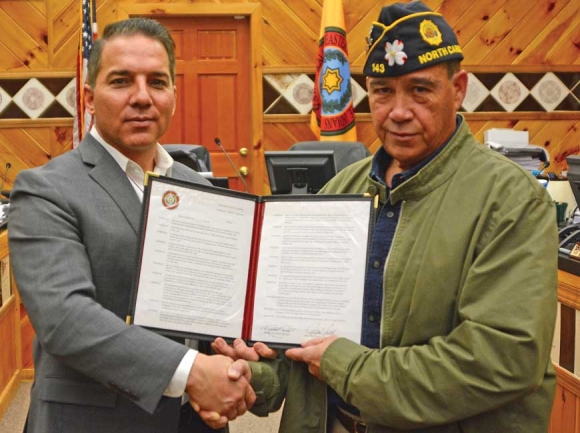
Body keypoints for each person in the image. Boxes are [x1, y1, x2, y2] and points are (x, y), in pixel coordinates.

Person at [210, 2, 558, 432]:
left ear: (459, 87)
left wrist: (346, 366)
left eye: (420, 90)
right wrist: (255, 377)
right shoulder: (339, 191)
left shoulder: (510, 201)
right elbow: (299, 341)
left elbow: (502, 358)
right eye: (382, 91)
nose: (398, 111)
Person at [9, 17, 254, 433]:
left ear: (173, 94)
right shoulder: (45, 189)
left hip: (195, 420)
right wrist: (193, 372)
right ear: (88, 97)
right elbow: (66, 319)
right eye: (122, 81)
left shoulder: (198, 189)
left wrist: (236, 355)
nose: (142, 98)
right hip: (93, 421)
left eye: (157, 82)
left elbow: (214, 304)